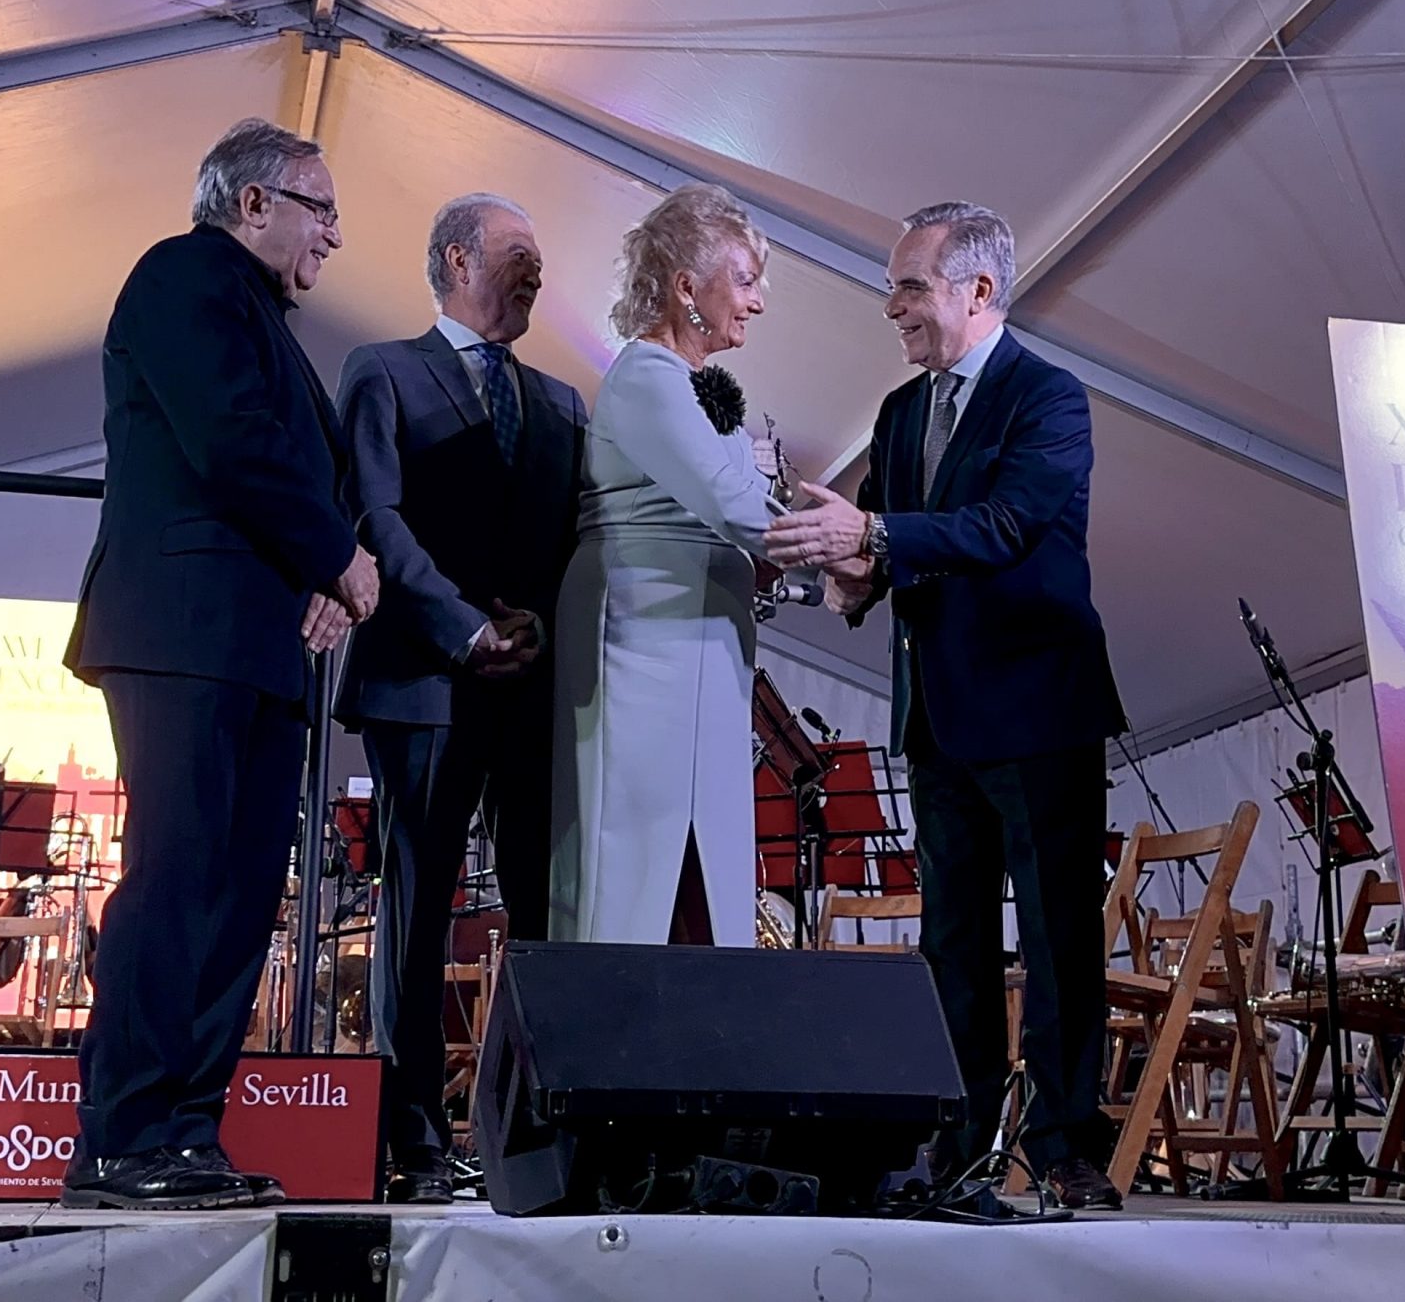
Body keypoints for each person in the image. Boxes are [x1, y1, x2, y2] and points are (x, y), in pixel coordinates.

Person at [765, 201, 1127, 1211]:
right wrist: (845, 575)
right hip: (935, 717)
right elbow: (885, 545)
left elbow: (1004, 526)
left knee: (1057, 937)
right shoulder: (899, 413)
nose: (892, 307)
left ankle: (1064, 1147)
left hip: (1039, 710)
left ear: (979, 290)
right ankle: (959, 1149)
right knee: (951, 944)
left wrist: (872, 538)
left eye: (910, 287)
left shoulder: (1048, 398)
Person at [61, 118, 379, 1210]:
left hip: (259, 643)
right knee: (179, 879)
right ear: (253, 203)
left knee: (240, 897)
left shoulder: (262, 316)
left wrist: (325, 578)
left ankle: (187, 1133)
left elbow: (300, 468)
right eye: (321, 209)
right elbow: (232, 440)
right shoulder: (185, 275)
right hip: (185, 631)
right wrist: (340, 558)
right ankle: (123, 1138)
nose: (334, 235)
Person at [334, 192, 585, 1205]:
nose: (536, 273)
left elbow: (576, 543)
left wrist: (540, 628)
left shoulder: (564, 404)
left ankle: (531, 1131)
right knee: (420, 902)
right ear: (453, 260)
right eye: (517, 254)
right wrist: (462, 627)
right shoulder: (383, 371)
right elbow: (373, 516)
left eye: (540, 261)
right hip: (422, 681)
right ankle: (412, 1136)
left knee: (540, 908)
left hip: (527, 690)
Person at [550, 182, 802, 949]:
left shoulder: (698, 389)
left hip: (704, 657)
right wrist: (848, 547)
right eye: (746, 281)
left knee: (701, 876)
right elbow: (731, 501)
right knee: (629, 864)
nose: (758, 302)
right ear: (687, 287)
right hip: (643, 652)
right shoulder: (646, 378)